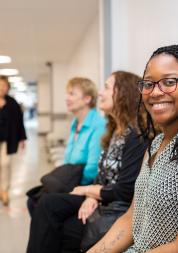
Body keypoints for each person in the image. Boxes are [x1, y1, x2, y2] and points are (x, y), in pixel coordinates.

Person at [26, 71, 149, 253]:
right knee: (44, 203)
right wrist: (91, 197)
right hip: (102, 197)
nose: (100, 93)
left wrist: (87, 191)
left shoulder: (135, 135)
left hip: (115, 205)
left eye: (106, 87)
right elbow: (102, 176)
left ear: (123, 93)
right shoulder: (114, 131)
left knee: (55, 218)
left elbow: (125, 190)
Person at [86, 44, 178, 253]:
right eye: (148, 84)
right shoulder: (155, 145)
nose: (155, 92)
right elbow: (131, 220)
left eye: (169, 82)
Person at [27, 77, 105, 215]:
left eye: (72, 94)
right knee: (33, 199)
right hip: (71, 179)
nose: (66, 98)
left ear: (87, 99)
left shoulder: (99, 125)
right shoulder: (75, 123)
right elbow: (69, 160)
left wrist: (69, 187)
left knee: (42, 203)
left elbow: (93, 169)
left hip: (84, 185)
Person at [0, 75, 27, 205]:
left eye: (4, 86)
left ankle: (4, 190)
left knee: (5, 164)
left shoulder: (12, 102)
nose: (1, 88)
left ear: (8, 88)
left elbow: (19, 121)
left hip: (8, 139)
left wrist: (22, 138)